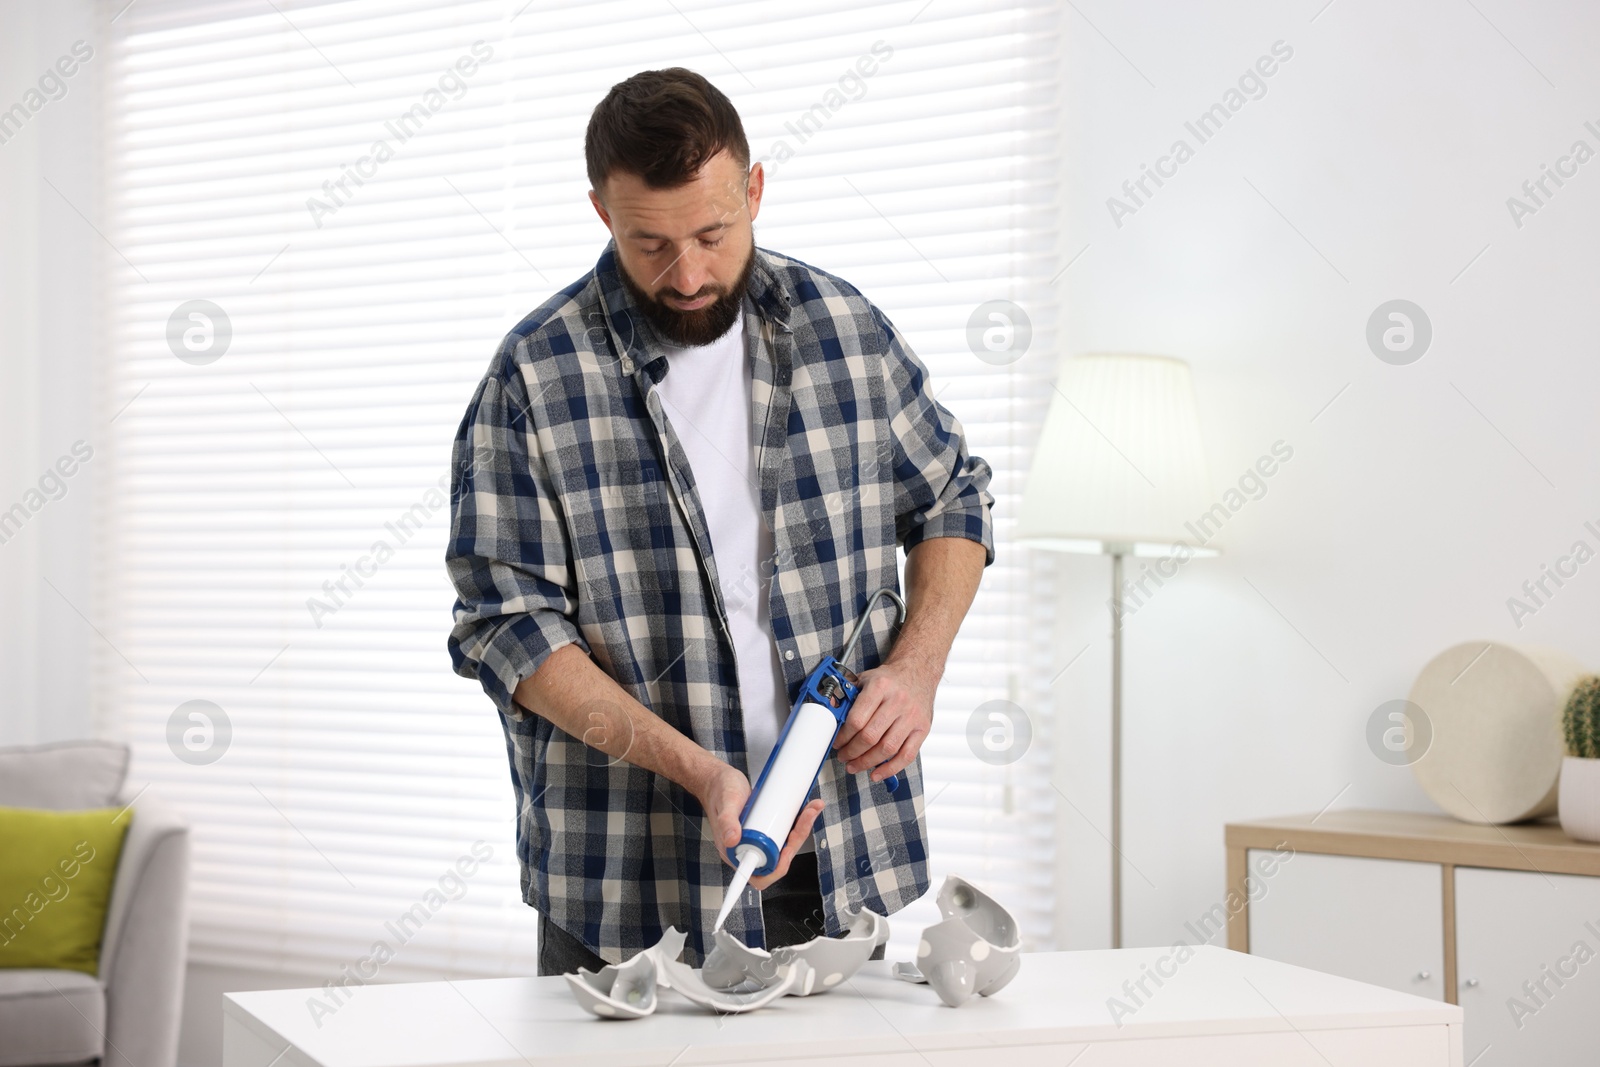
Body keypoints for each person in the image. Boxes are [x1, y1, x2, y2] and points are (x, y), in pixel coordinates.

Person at [446, 67, 992, 974]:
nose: (689, 273)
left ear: (755, 189)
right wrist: (700, 772)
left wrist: (917, 668)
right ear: (601, 214)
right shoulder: (533, 381)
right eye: (649, 242)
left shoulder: (846, 330)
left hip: (843, 862)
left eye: (713, 232)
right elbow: (510, 629)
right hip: (629, 890)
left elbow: (951, 497)